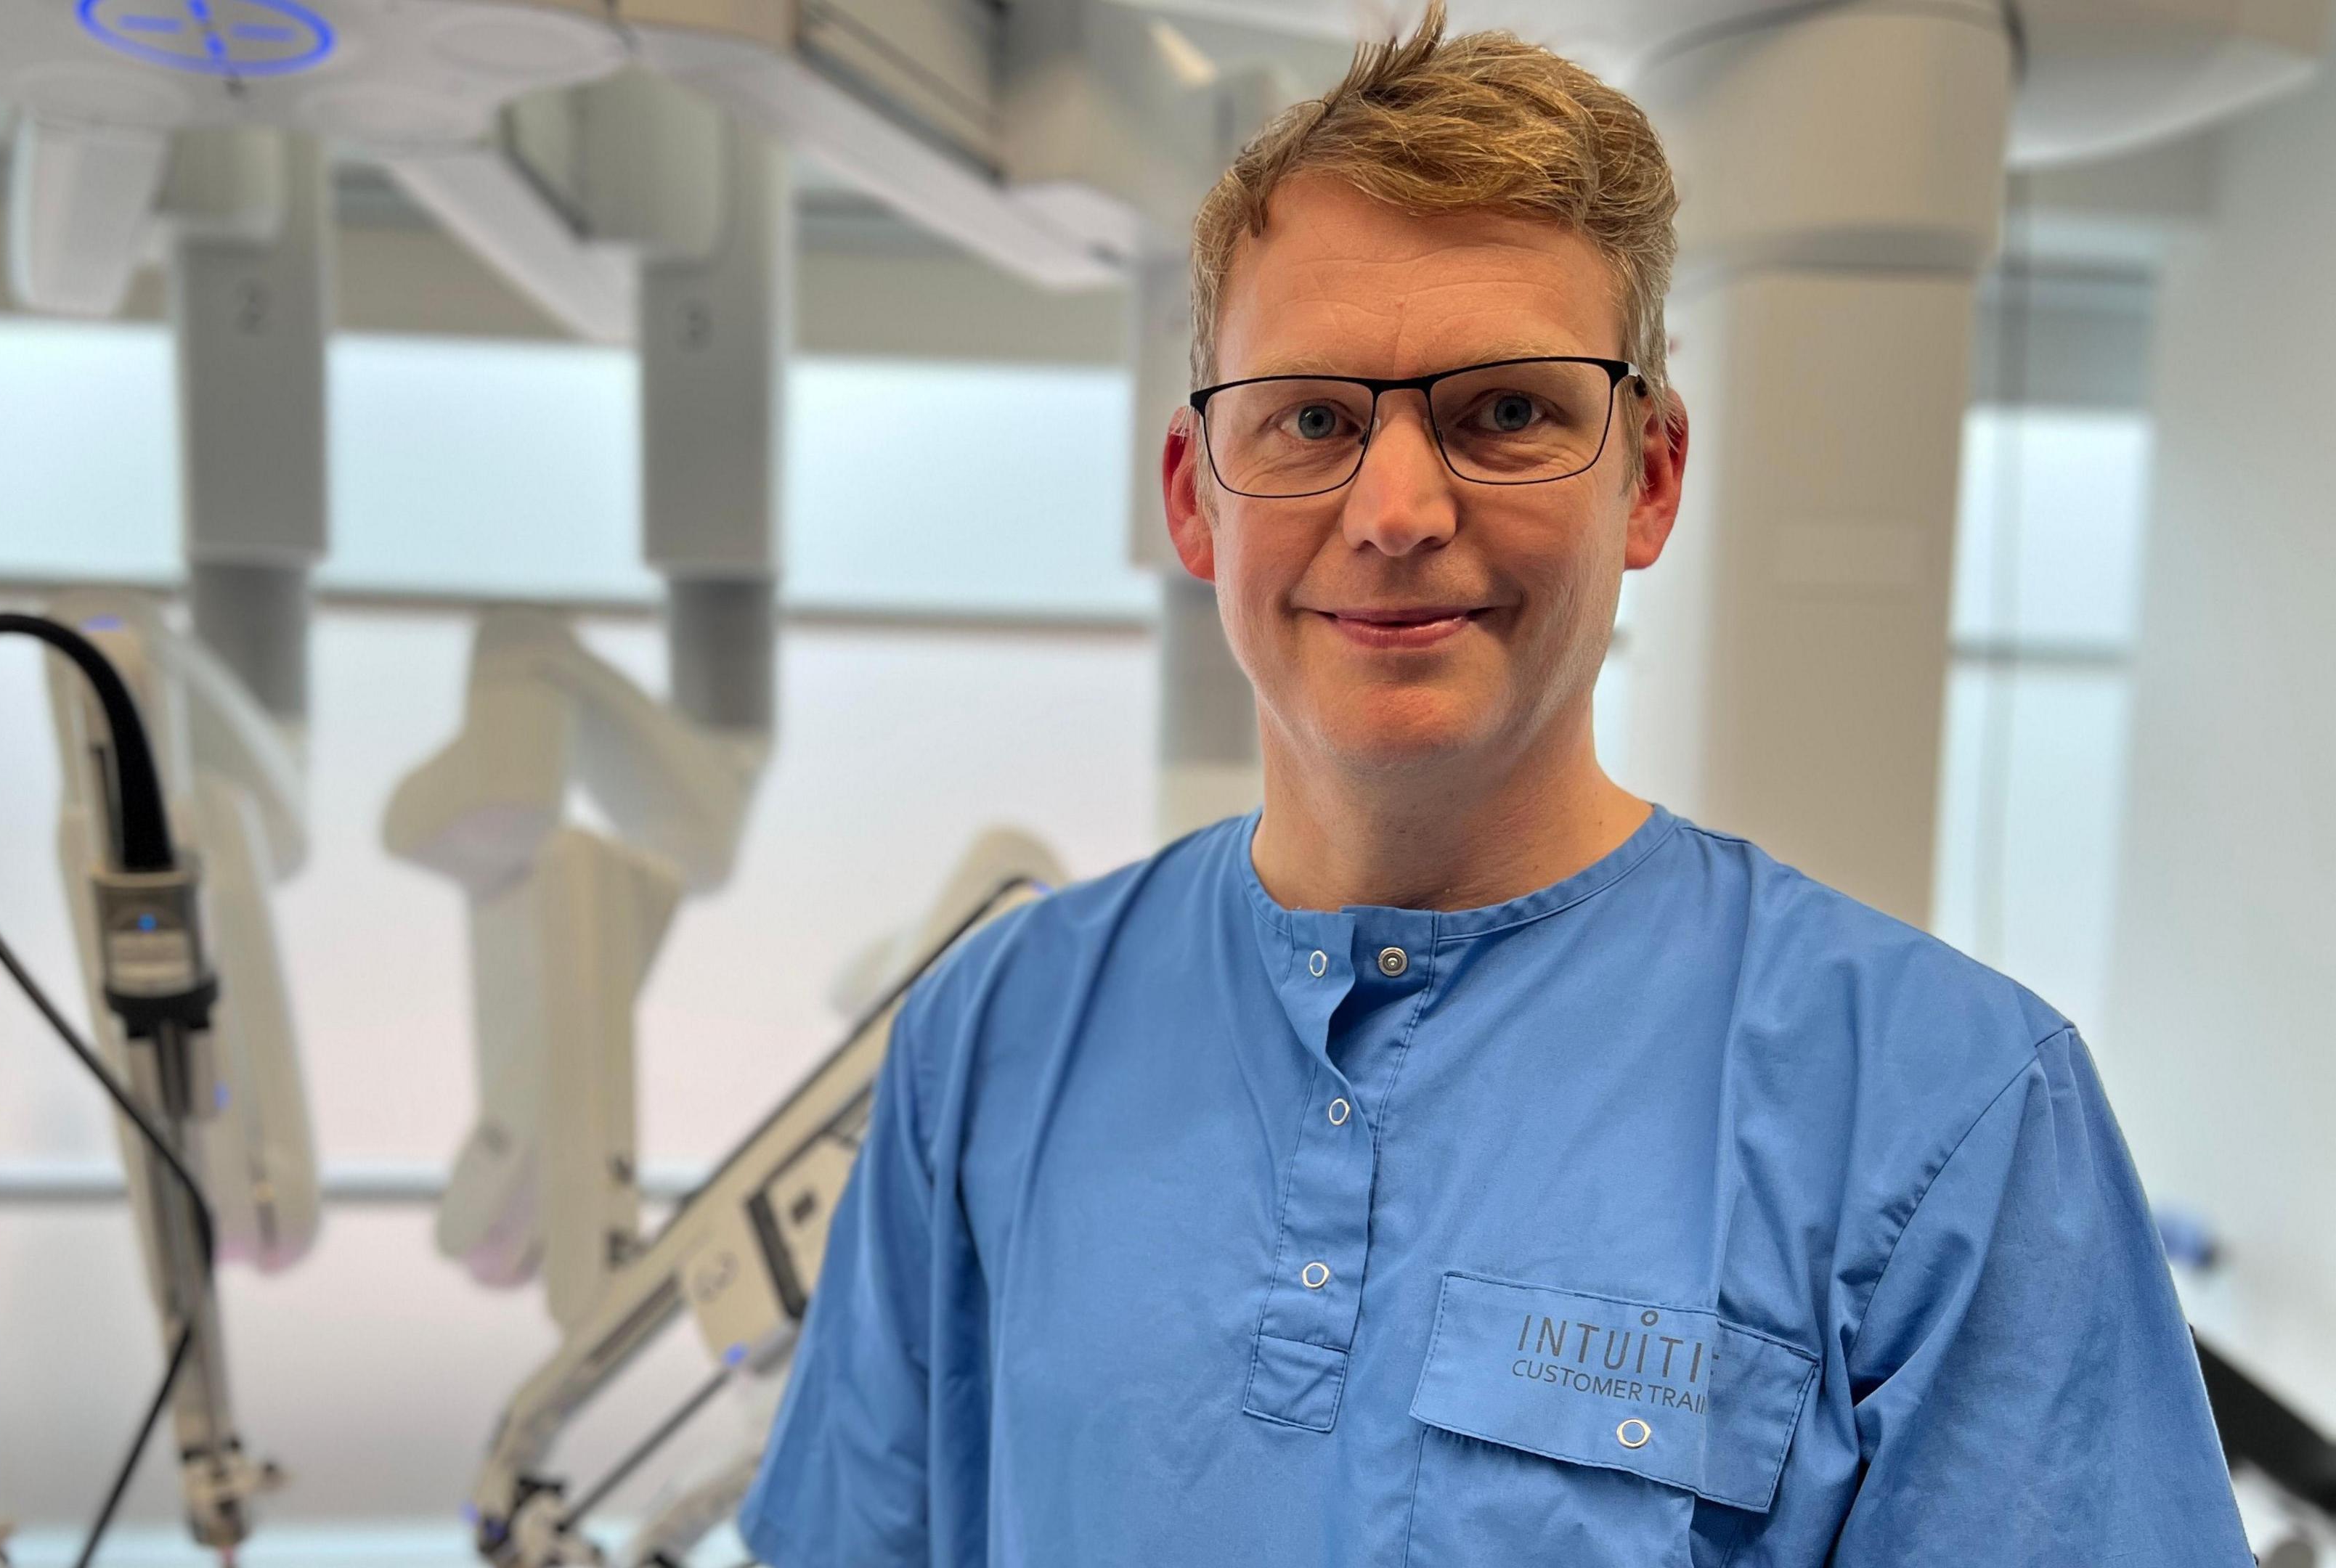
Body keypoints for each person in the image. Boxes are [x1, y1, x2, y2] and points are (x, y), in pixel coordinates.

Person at [738, 7, 2248, 1564]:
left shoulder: (1949, 1112)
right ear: (1197, 501)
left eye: (1507, 412)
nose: (1395, 510)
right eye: (1315, 418)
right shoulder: (996, 1039)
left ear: (1648, 479)